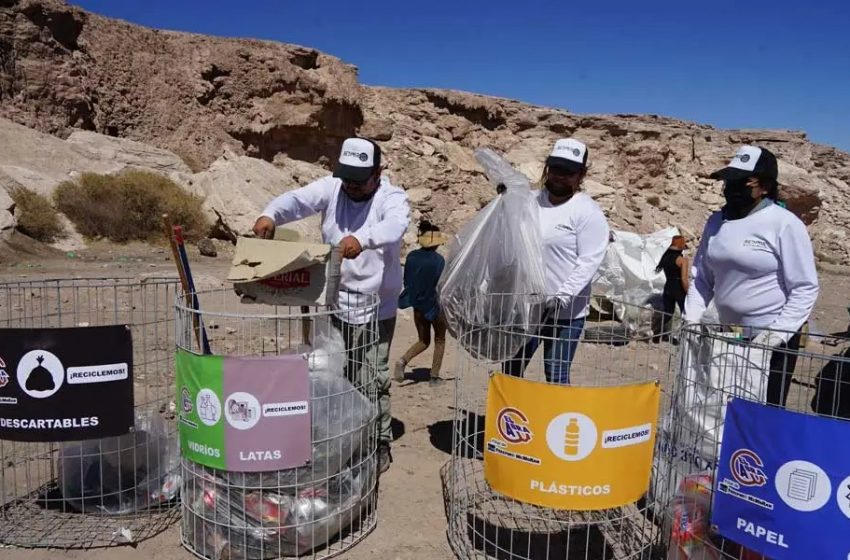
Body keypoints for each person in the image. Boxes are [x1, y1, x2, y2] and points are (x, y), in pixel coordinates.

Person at [253, 137, 410, 473]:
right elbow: (297, 201)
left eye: (359, 179)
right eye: (347, 178)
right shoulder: (333, 188)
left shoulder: (391, 197)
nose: (351, 186)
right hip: (335, 301)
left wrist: (363, 239)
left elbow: (395, 226)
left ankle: (378, 442)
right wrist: (270, 215)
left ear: (378, 173)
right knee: (332, 373)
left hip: (375, 306)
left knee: (371, 376)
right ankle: (341, 437)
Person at [684, 145, 819, 407]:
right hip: (723, 339)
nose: (731, 188)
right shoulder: (715, 222)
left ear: (765, 187)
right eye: (728, 182)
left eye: (742, 182)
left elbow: (804, 287)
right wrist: (692, 319)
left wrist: (774, 337)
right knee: (717, 409)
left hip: (770, 344)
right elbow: (702, 276)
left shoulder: (784, 224)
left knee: (760, 418)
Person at [502, 138, 610, 384]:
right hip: (526, 309)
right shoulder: (529, 201)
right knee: (510, 369)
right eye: (556, 169)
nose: (560, 177)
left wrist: (563, 296)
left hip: (566, 314)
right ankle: (513, 420)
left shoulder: (587, 212)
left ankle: (555, 422)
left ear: (581, 174)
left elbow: (589, 261)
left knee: (556, 374)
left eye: (568, 172)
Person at [393, 221, 448, 386]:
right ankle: (434, 377)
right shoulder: (439, 260)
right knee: (440, 339)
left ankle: (403, 360)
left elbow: (407, 281)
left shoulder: (411, 257)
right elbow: (441, 285)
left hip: (418, 306)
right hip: (435, 307)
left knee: (423, 340)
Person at [653, 235, 689, 343]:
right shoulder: (682, 261)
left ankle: (656, 335)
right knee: (685, 314)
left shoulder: (665, 258)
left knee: (668, 313)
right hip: (678, 289)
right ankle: (682, 337)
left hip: (668, 286)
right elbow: (684, 279)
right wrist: (688, 292)